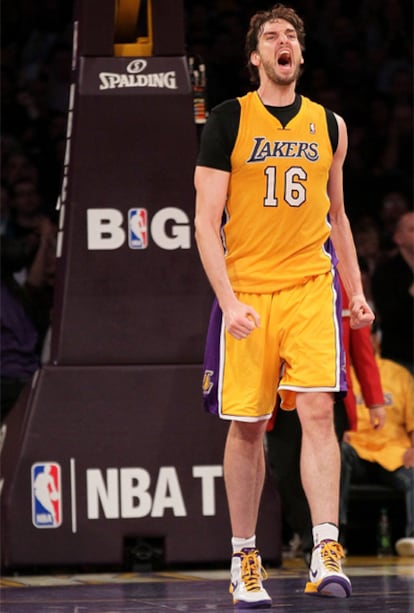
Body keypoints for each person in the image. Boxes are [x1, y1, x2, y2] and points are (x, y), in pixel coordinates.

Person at [194, 4, 375, 606]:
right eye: (270, 36)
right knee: (247, 428)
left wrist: (355, 292)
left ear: (300, 53)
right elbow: (203, 223)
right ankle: (244, 555)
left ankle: (326, 550)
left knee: (320, 413)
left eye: (291, 35)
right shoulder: (227, 120)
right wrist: (228, 300)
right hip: (247, 290)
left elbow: (339, 217)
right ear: (255, 57)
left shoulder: (330, 125)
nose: (282, 42)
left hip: (307, 287)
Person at [266, 276, 385, 562]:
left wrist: (375, 400)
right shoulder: (269, 280)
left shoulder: (340, 285)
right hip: (280, 398)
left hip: (328, 394)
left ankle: (323, 543)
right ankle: (307, 534)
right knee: (285, 472)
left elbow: (361, 349)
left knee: (329, 468)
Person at [340, 332, 414, 557]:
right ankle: (334, 540)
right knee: (335, 456)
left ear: (377, 340)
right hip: (356, 449)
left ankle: (412, 539)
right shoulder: (343, 374)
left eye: (369, 335)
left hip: (393, 453)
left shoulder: (399, 374)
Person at [371, 211, 414, 374]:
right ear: (398, 238)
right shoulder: (385, 272)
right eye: (412, 229)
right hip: (401, 359)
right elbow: (389, 316)